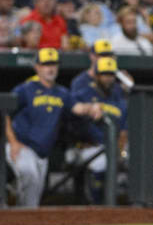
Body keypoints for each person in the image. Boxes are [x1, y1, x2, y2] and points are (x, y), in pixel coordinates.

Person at [5, 48, 103, 207]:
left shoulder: (62, 93)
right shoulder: (25, 89)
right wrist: (13, 142)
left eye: (53, 64)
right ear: (37, 67)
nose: (50, 68)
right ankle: (18, 215)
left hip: (42, 154)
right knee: (28, 174)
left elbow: (77, 108)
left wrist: (92, 107)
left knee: (33, 196)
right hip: (23, 147)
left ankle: (19, 212)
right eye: (46, 64)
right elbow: (5, 113)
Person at [69, 57, 128, 203]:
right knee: (102, 163)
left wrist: (119, 151)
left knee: (135, 160)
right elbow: (71, 120)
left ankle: (134, 205)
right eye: (104, 74)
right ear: (96, 76)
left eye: (111, 74)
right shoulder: (83, 94)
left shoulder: (120, 98)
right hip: (89, 147)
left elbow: (124, 131)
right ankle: (97, 207)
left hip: (114, 147)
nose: (108, 78)